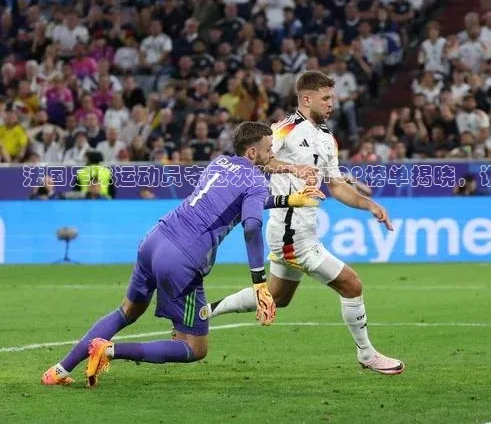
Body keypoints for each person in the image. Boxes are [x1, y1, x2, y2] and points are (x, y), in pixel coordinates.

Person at [41, 122, 324, 387]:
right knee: (194, 347)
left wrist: (289, 200)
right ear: (252, 152)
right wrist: (259, 283)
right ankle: (108, 350)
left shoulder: (219, 163)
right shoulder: (255, 181)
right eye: (268, 148)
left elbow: (239, 202)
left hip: (155, 240)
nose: (272, 153)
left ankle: (59, 370)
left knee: (126, 311)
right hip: (182, 259)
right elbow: (251, 224)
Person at [207, 71, 405, 375]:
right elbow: (256, 159)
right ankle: (367, 354)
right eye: (325, 98)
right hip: (291, 234)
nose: (331, 103)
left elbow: (336, 185)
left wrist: (370, 205)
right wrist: (293, 168)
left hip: (303, 230)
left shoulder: (326, 138)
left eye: (332, 97)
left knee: (278, 297)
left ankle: (205, 312)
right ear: (307, 99)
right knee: (351, 284)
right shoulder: (283, 130)